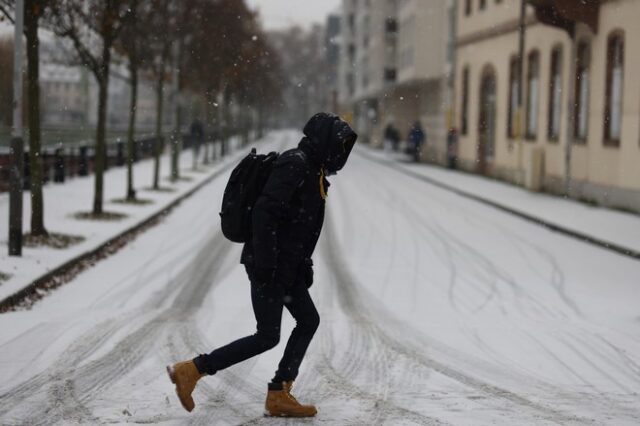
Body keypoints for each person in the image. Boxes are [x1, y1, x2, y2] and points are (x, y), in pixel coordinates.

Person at [167, 112, 358, 417]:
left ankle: (279, 391)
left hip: (288, 266)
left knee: (308, 320)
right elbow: (264, 213)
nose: (341, 153)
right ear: (323, 140)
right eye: (339, 145)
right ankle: (192, 370)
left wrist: (303, 264)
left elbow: (300, 226)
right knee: (267, 335)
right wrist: (266, 265)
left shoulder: (313, 169)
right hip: (269, 264)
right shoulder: (296, 164)